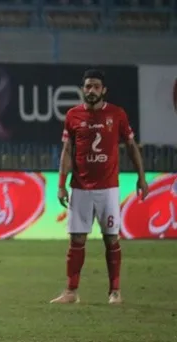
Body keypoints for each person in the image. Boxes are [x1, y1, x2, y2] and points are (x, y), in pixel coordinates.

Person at [51, 69, 149, 305]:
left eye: (96, 86)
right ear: (82, 89)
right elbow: (67, 150)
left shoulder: (117, 114)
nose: (92, 90)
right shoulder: (73, 115)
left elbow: (131, 146)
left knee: (111, 239)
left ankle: (115, 291)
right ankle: (71, 291)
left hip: (108, 188)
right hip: (80, 188)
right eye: (88, 86)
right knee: (76, 239)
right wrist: (61, 185)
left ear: (104, 90)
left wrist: (141, 177)